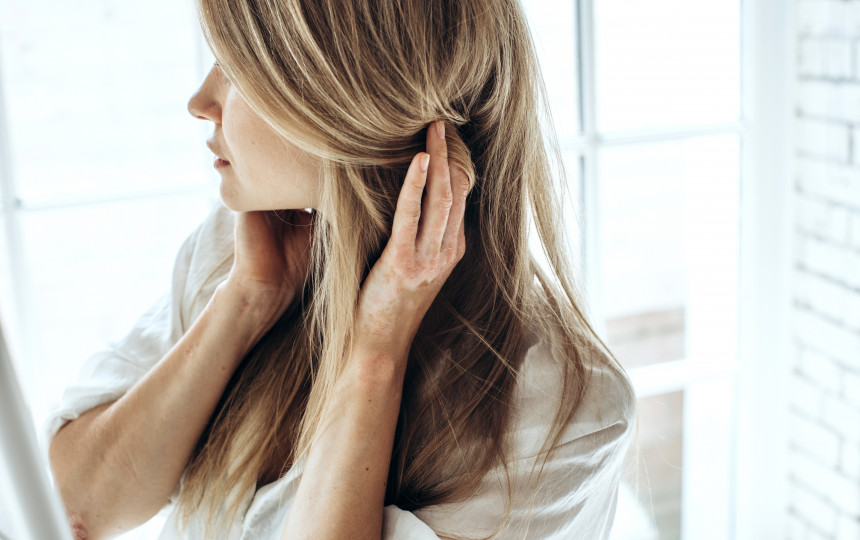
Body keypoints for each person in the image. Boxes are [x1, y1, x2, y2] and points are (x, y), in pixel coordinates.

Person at [45, 0, 640, 538]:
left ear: (341, 102)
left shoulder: (561, 410)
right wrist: (246, 302)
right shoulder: (237, 254)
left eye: (236, 69)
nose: (200, 103)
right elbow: (77, 507)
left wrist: (376, 352)